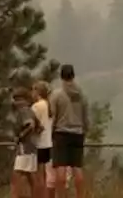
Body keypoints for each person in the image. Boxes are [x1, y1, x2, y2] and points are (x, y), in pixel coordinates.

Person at [48, 64, 89, 198]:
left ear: (61, 76)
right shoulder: (82, 95)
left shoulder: (57, 94)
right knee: (77, 167)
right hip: (78, 133)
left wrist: (52, 131)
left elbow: (53, 115)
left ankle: (62, 195)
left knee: (61, 167)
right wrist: (84, 130)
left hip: (61, 133)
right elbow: (85, 116)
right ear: (73, 75)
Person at [12, 87, 41, 198]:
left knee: (16, 176)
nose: (16, 102)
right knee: (30, 176)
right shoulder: (30, 111)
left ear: (24, 99)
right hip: (32, 147)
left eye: (18, 99)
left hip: (24, 147)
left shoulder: (24, 110)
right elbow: (40, 127)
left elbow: (31, 125)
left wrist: (20, 136)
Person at [31, 81, 54, 198]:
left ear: (37, 92)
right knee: (47, 176)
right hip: (49, 143)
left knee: (38, 176)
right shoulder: (49, 106)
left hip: (39, 144)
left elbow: (33, 125)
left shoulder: (36, 107)